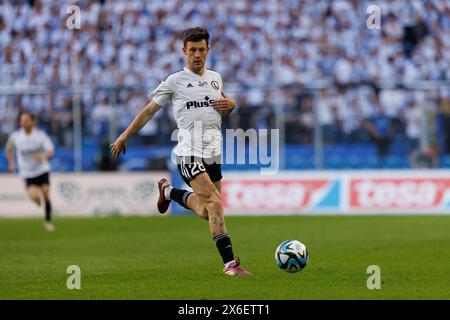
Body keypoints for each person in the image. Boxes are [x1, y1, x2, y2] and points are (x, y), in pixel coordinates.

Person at [110, 27, 252, 276]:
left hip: (213, 153)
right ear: (184, 51)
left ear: (208, 50)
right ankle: (230, 264)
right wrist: (123, 136)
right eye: (193, 50)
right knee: (215, 202)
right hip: (188, 153)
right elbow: (148, 111)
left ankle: (168, 191)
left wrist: (233, 104)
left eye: (201, 50)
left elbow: (224, 106)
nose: (197, 54)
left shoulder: (215, 78)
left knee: (207, 211)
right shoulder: (175, 81)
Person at [5, 112, 55, 231]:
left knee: (46, 193)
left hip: (41, 169)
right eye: (22, 120)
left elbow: (51, 151)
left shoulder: (40, 135)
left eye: (26, 120)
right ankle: (38, 202)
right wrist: (11, 163)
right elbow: (8, 148)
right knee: (33, 196)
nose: (23, 123)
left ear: (33, 122)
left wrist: (43, 156)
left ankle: (48, 221)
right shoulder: (15, 136)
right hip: (27, 172)